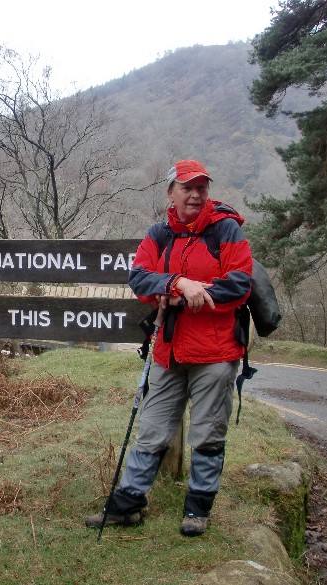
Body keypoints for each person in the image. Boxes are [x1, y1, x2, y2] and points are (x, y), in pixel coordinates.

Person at [85, 159, 253, 537]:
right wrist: (179, 284)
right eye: (187, 187)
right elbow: (139, 277)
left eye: (201, 188)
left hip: (214, 352)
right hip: (168, 350)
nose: (195, 194)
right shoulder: (159, 234)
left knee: (208, 432)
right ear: (171, 192)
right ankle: (128, 505)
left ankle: (197, 510)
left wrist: (195, 292)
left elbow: (239, 284)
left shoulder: (226, 230)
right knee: (152, 429)